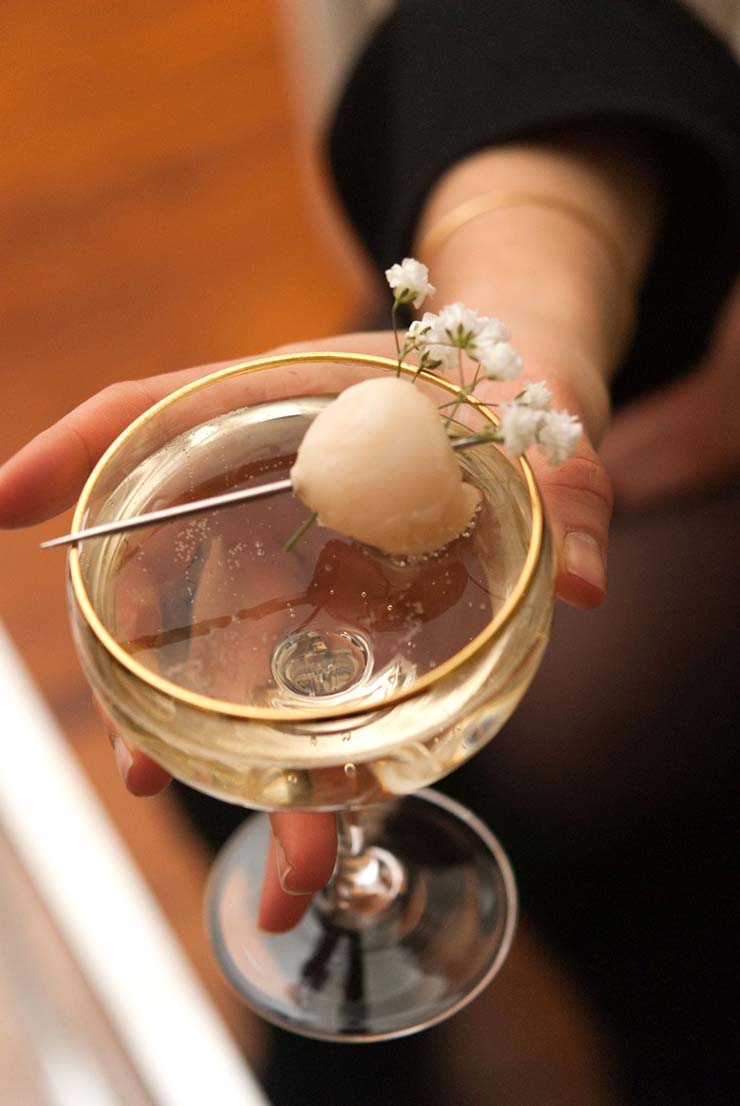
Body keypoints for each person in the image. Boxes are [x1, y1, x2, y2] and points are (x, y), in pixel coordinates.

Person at [1, 0, 738, 1101]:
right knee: (239, 659)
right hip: (520, 261)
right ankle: (346, 967)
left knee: (589, 757)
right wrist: (524, 287)